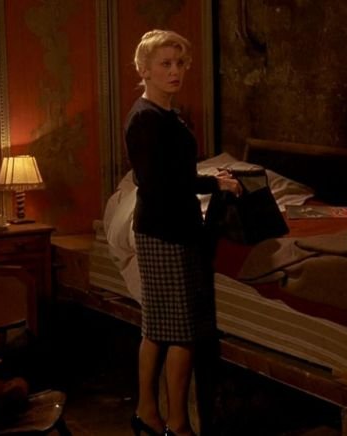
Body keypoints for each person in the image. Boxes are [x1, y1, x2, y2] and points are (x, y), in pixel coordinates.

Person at [125, 30, 242, 436]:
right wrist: (213, 183)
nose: (175, 71)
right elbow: (159, 183)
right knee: (180, 332)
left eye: (179, 63)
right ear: (145, 70)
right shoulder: (146, 118)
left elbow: (175, 173)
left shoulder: (168, 115)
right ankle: (175, 423)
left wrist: (207, 179)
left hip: (173, 227)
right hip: (165, 231)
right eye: (165, 64)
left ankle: (148, 413)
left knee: (159, 328)